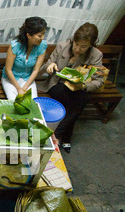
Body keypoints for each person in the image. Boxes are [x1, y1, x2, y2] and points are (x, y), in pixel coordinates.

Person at [38, 23, 104, 153]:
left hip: (78, 88)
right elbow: (47, 64)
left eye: (83, 46)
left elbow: (99, 81)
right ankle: (64, 137)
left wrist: (84, 85)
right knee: (73, 101)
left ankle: (57, 133)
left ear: (91, 45)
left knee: (83, 97)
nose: (78, 49)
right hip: (57, 83)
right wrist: (50, 66)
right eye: (76, 44)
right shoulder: (63, 46)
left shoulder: (96, 55)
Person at [1, 17, 47, 101]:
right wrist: (19, 89)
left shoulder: (42, 46)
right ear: (29, 35)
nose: (42, 38)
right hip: (11, 79)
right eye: (39, 35)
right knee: (13, 101)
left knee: (32, 102)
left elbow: (36, 71)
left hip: (27, 79)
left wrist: (24, 88)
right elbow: (8, 70)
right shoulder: (15, 46)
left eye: (44, 34)